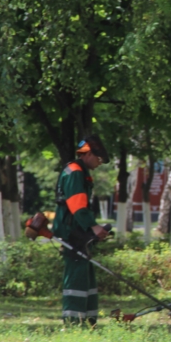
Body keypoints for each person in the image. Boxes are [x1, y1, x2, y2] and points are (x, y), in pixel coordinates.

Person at [53, 135, 110, 325]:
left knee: (85, 271)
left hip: (78, 228)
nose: (99, 163)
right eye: (98, 158)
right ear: (89, 155)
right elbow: (77, 204)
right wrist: (93, 226)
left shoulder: (80, 171)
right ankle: (73, 320)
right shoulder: (76, 172)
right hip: (72, 230)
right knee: (77, 272)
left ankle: (88, 318)